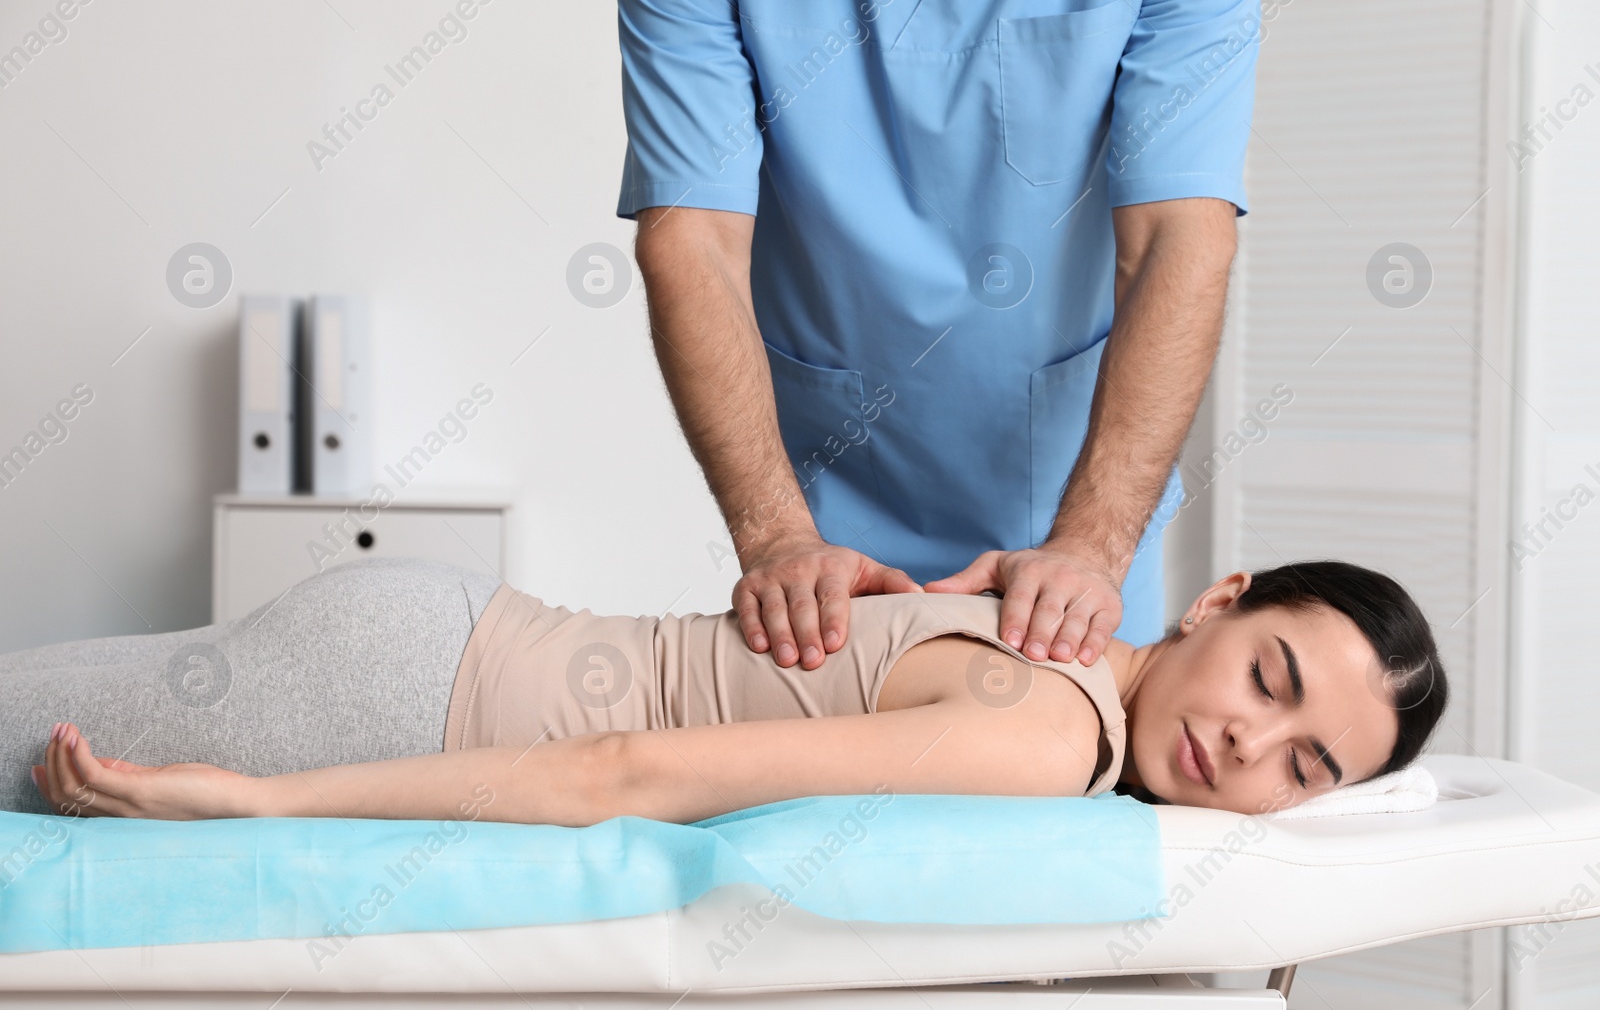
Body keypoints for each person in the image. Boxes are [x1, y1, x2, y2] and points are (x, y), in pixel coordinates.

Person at [617, 0, 1261, 676]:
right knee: (817, 770)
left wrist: (1090, 545)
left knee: (1071, 765)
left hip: (1074, 513)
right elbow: (691, 241)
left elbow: (1178, 242)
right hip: (820, 519)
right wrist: (774, 536)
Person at [11, 555, 1446, 823]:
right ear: (1219, 599)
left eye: (1302, 762)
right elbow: (627, 772)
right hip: (397, 702)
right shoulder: (1050, 734)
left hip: (436, 628)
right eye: (1270, 672)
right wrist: (265, 801)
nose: (1246, 737)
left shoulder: (1050, 613)